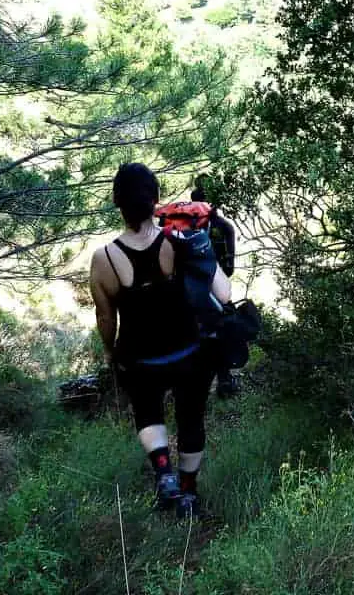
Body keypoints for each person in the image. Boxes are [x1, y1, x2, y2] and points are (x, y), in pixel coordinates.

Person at [89, 163, 231, 519]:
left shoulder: (103, 258)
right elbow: (224, 295)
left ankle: (164, 474)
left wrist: (110, 351)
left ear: (115, 201)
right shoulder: (180, 241)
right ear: (155, 200)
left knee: (148, 412)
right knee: (191, 419)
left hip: (140, 359)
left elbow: (105, 317)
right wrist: (202, 247)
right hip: (189, 351)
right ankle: (189, 494)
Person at [189, 178, 241, 398]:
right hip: (216, 290)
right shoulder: (224, 227)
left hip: (186, 290)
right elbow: (229, 268)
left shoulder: (181, 228)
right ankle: (224, 381)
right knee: (222, 331)